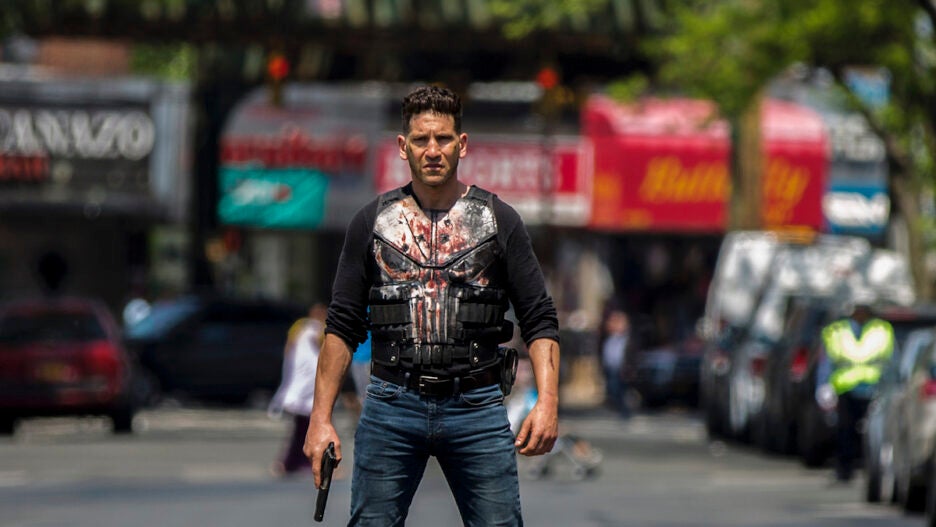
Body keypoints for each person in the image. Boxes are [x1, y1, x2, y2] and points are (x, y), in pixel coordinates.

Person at [304, 85, 560, 526]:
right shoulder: (372, 222)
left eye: (443, 138)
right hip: (391, 403)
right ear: (403, 147)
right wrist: (320, 419)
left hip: (477, 404)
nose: (433, 150)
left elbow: (540, 319)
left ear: (462, 144)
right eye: (421, 139)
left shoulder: (499, 220)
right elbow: (342, 326)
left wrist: (548, 402)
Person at [816, 300, 894, 483]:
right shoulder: (836, 331)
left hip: (873, 391)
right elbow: (826, 362)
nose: (860, 313)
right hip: (846, 389)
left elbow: (891, 363)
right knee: (845, 431)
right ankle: (845, 469)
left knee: (873, 433)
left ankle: (870, 469)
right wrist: (823, 386)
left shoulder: (882, 330)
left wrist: (889, 388)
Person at [268, 303, 327, 476]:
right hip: (305, 380)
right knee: (304, 427)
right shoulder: (306, 326)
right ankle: (290, 463)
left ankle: (293, 462)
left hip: (309, 379)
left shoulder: (313, 327)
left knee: (303, 427)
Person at [601, 310, 631, 417]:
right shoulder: (607, 339)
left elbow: (630, 355)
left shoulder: (627, 340)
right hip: (610, 368)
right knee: (612, 390)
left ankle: (624, 411)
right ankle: (618, 408)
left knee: (620, 390)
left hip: (621, 369)